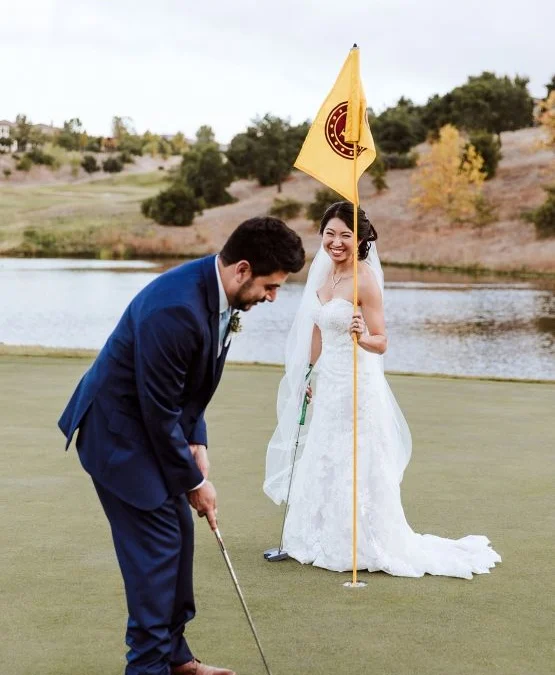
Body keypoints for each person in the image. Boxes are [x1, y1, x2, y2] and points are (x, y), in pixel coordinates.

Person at [58, 217, 305, 675]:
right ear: (243, 269)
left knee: (180, 539)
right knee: (156, 557)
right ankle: (148, 666)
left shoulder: (217, 294)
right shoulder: (176, 309)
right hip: (118, 438)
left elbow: (189, 390)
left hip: (151, 427)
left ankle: (175, 659)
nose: (272, 297)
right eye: (270, 287)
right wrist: (195, 481)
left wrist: (197, 440)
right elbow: (157, 409)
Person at [264, 201, 501, 578]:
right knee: (324, 452)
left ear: (359, 239)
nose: (336, 242)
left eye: (345, 234)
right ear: (321, 235)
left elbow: (382, 341)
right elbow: (317, 329)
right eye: (330, 233)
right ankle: (312, 537)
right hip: (329, 382)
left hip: (358, 385)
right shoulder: (323, 277)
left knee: (355, 458)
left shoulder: (365, 280)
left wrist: (361, 334)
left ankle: (364, 542)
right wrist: (309, 375)